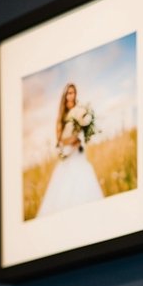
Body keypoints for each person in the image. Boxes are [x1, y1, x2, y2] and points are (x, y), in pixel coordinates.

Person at [37, 82, 103, 219]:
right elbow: (59, 140)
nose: (71, 95)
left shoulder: (81, 111)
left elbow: (83, 132)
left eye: (73, 92)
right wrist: (71, 140)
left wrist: (81, 136)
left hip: (79, 153)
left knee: (84, 178)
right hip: (68, 154)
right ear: (65, 95)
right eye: (68, 93)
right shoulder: (61, 116)